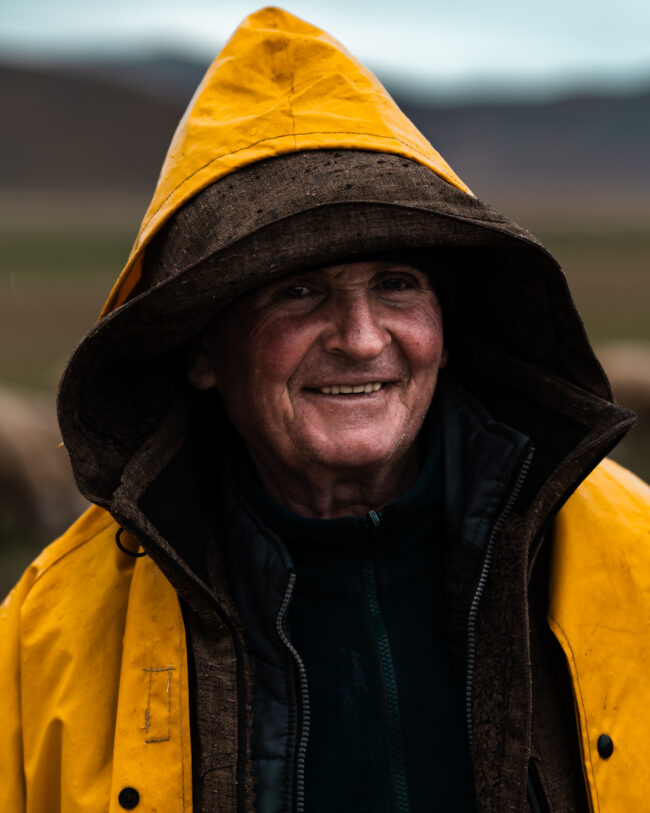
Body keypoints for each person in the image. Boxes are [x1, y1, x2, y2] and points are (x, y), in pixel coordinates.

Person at [2, 7, 649, 812]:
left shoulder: (635, 557)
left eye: (397, 283)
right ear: (200, 352)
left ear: (448, 327)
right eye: (297, 291)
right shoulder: (48, 633)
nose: (360, 337)